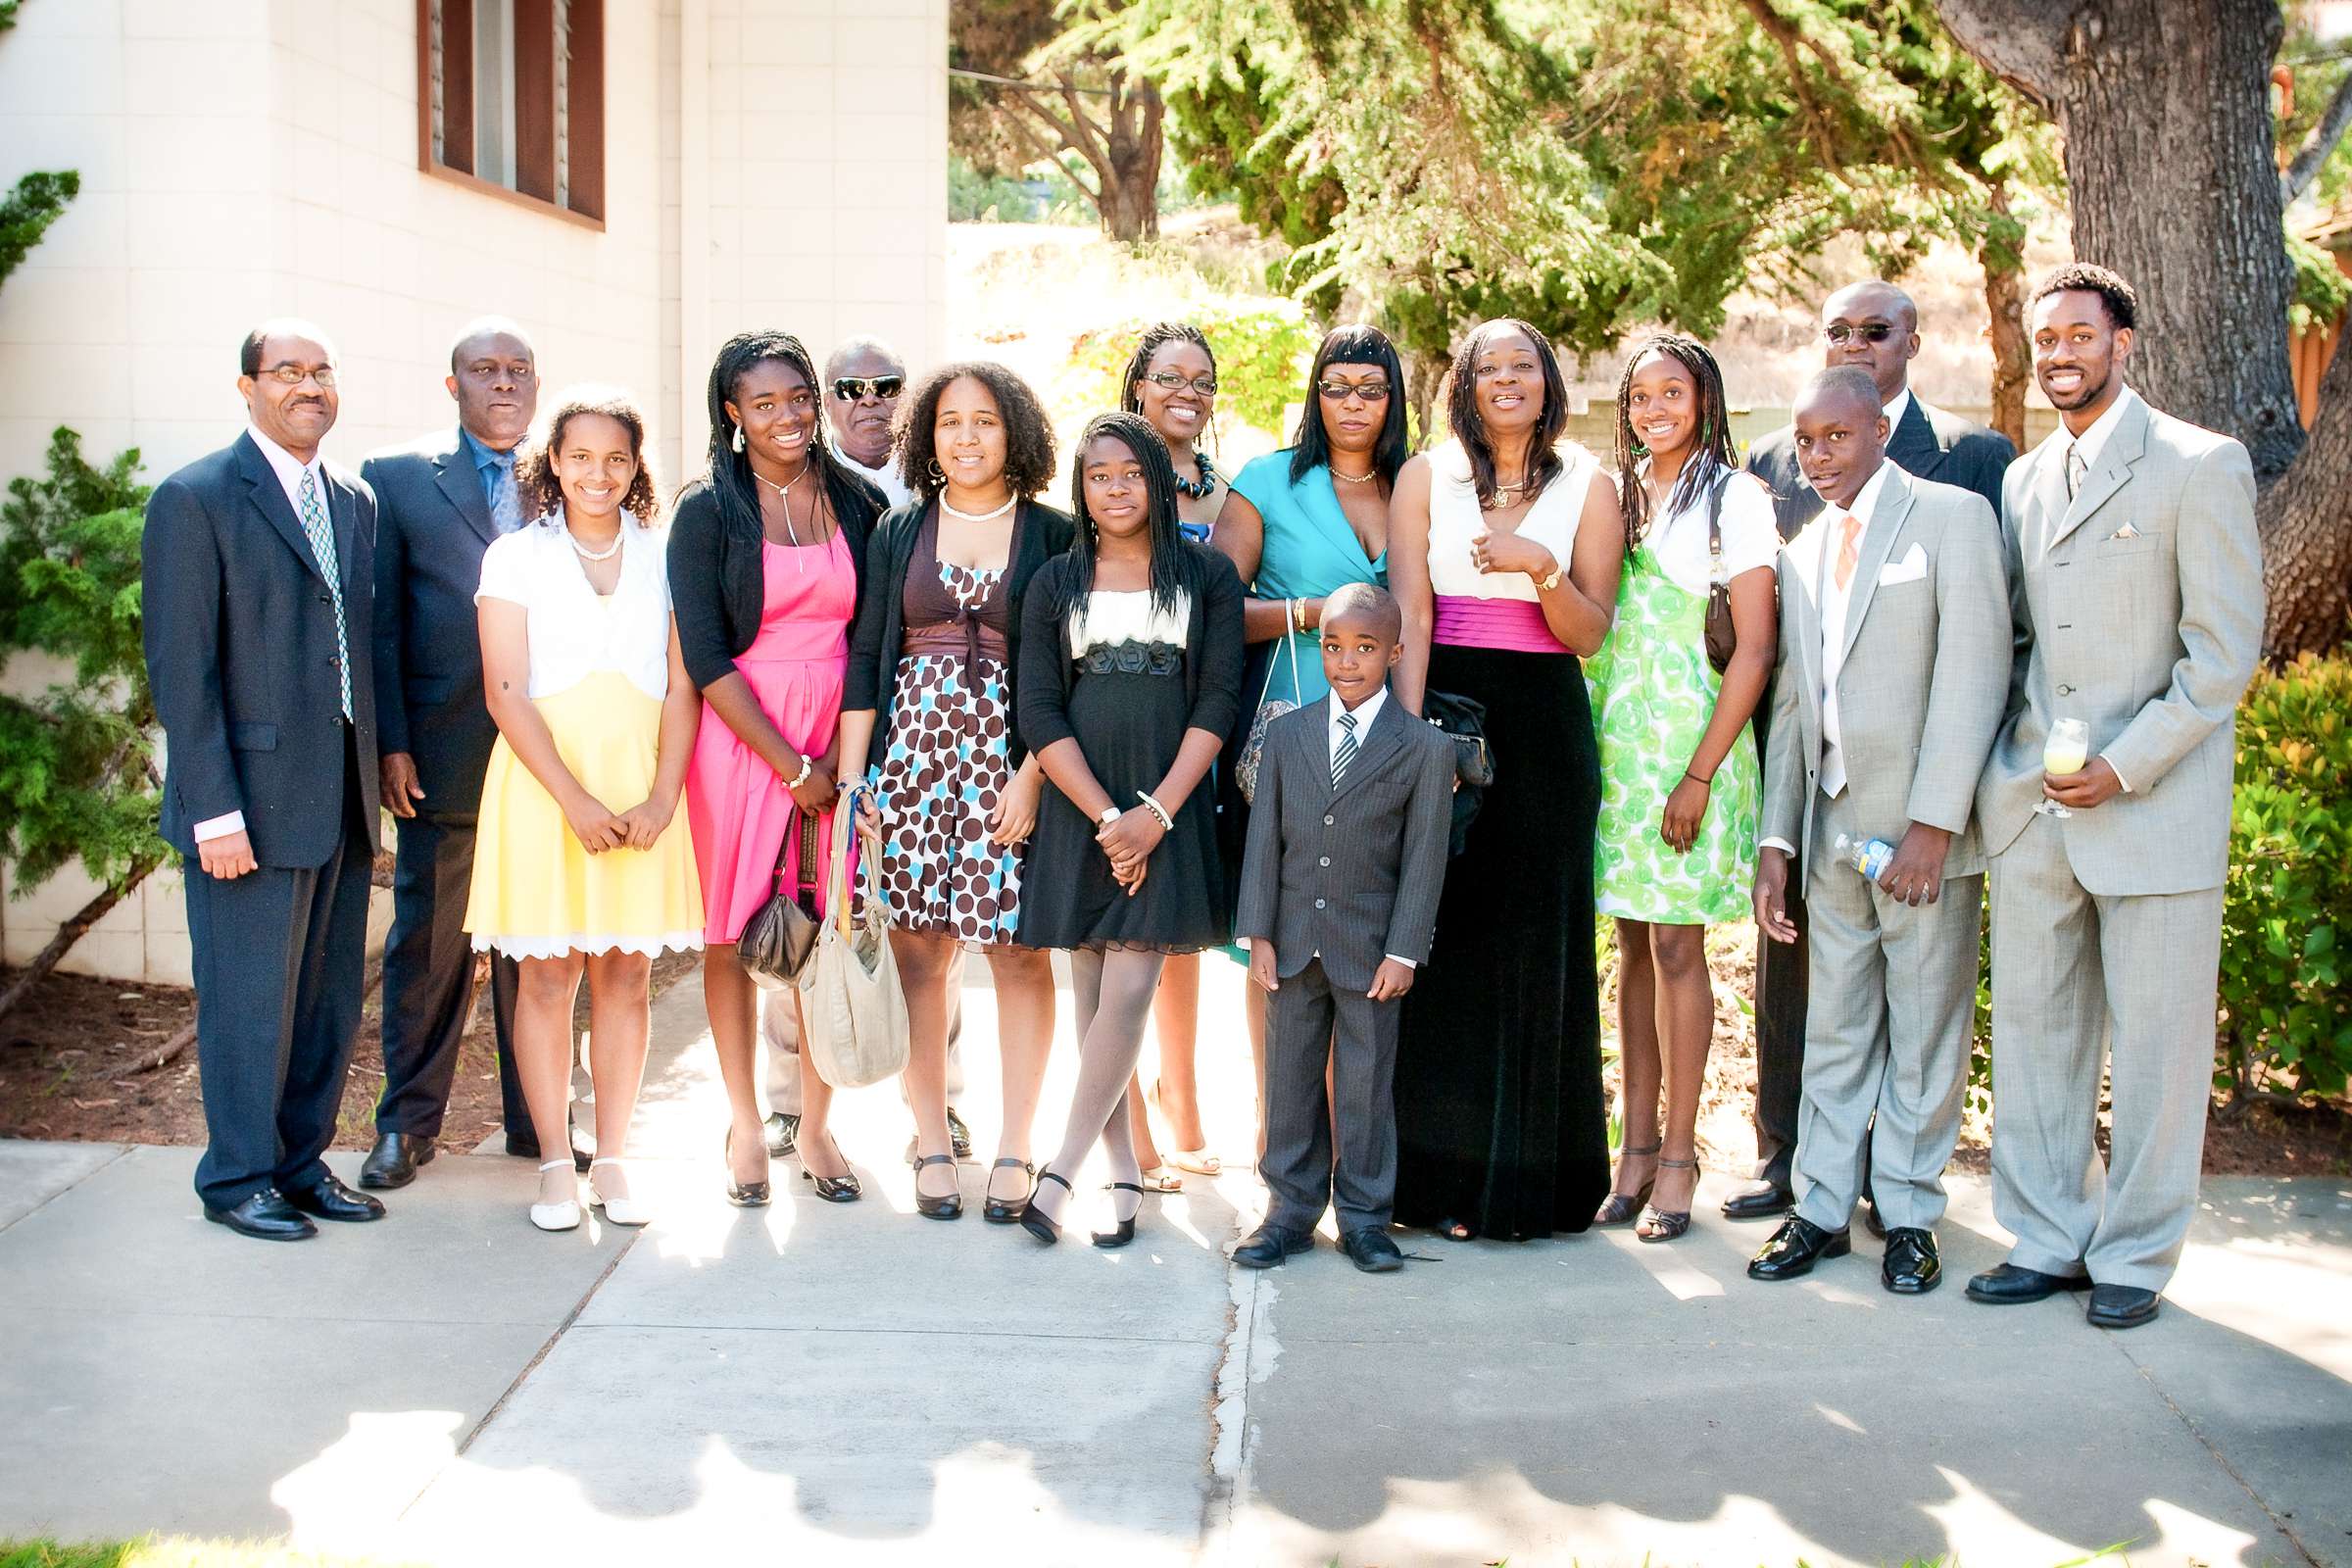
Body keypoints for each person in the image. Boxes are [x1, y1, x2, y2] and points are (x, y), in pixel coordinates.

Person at [1967, 265, 2264, 1330]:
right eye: (2044, 339)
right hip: (2036, 809)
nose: (2059, 353)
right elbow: (2015, 643)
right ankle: (2046, 1236)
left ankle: (2136, 1254)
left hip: (2154, 805)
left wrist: (2129, 764)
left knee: (2157, 1047)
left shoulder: (2200, 464)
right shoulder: (2024, 480)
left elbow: (2224, 654)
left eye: (2079, 336)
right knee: (2040, 1041)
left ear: (2123, 342)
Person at [1731, 280, 2016, 1224]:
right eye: (1805, 442)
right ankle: (1816, 1210)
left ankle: (1908, 1214)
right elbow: (1795, 709)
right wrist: (1779, 845)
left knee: (1927, 1034)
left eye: (1837, 438)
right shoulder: (1804, 555)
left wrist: (1936, 826)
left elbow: (1976, 676)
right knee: (1834, 1030)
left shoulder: (1954, 518)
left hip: (1919, 834)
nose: (1817, 457)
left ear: (1879, 434)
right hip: (1833, 837)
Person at [142, 318, 388, 1241]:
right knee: (249, 1004)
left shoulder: (355, 501)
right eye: (288, 372)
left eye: (323, 371)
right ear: (247, 387)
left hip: (340, 800)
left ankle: (298, 1164)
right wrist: (212, 809)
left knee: (323, 1006)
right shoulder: (196, 498)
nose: (309, 387)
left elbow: (363, 647)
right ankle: (238, 1177)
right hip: (243, 806)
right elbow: (181, 670)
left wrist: (381, 768)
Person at [1390, 318, 1625, 1243]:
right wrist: (1406, 739)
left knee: (1537, 944)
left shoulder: (1589, 484)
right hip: (1447, 703)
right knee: (1444, 940)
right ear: (1464, 384)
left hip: (1543, 724)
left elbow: (1591, 630)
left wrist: (1543, 569)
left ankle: (1530, 1190)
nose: (1506, 380)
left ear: (1548, 379)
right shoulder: (1426, 476)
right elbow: (1412, 606)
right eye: (1488, 367)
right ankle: (1434, 1183)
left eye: (1522, 364)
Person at [466, 388, 704, 1233]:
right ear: (552, 464)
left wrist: (663, 795)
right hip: (545, 788)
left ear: (636, 465)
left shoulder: (666, 553)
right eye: (579, 458)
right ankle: (555, 1164)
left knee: (627, 974)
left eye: (615, 458)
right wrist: (571, 799)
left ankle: (613, 1155)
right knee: (548, 973)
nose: (597, 474)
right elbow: (504, 690)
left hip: (641, 781)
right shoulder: (514, 558)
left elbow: (683, 683)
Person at [840, 362, 1071, 1222]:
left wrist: (1035, 775)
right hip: (911, 767)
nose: (966, 438)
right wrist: (859, 779)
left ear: (1015, 432)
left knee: (1018, 952)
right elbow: (868, 659)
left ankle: (1017, 1145)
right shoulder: (901, 530)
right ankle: (932, 1140)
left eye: (983, 421)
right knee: (919, 954)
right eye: (948, 423)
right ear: (926, 437)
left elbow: (1069, 669)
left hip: (1012, 770)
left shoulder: (1051, 535)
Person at [1010, 412, 1245, 1248]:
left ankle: (1061, 1168)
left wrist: (1157, 814)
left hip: (1167, 809)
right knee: (1089, 986)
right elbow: (1036, 705)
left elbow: (1217, 698)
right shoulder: (1054, 582)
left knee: (1132, 985)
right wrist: (1108, 816)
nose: (1115, 489)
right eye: (1099, 474)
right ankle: (1121, 1173)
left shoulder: (1207, 577)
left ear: (1158, 479)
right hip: (1085, 808)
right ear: (1081, 485)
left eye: (1131, 473)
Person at [671, 331, 885, 1206]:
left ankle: (820, 1126)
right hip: (742, 744)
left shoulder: (861, 502)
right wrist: (790, 765)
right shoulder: (705, 511)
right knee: (732, 936)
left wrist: (839, 755)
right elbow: (707, 657)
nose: (789, 415)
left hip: (841, 737)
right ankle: (746, 1124)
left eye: (800, 396)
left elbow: (873, 641)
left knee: (826, 927)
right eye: (765, 403)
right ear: (733, 414)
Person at [1584, 334, 1781, 1244]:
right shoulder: (1619, 495)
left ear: (1705, 400)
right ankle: (1631, 1150)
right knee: (1627, 947)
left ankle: (1678, 1157)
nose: (1655, 409)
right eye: (1640, 396)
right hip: (1622, 753)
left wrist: (1700, 773)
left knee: (1675, 950)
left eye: (1674, 392)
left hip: (1693, 751)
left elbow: (1755, 650)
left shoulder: (1733, 498)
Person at [1212, 324, 1407, 1149]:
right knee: (1286, 942)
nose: (1352, 403)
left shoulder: (1419, 485)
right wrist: (1309, 613)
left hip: (1388, 737)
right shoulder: (1268, 482)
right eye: (1336, 386)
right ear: (1314, 395)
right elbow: (1216, 608)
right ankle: (1281, 1145)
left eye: (1370, 388)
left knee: (1368, 936)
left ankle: (1362, 1157)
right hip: (1290, 729)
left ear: (1394, 399)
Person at [361, 318, 544, 1191]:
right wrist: (391, 740)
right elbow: (380, 624)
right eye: (484, 370)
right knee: (429, 948)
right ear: (453, 386)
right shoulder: (397, 479)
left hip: (555, 758)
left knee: (539, 948)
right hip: (444, 750)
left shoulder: (572, 473)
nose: (502, 384)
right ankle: (407, 1124)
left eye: (518, 371)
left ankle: (535, 1122)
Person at [1234, 583, 1454, 1274]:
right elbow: (1263, 841)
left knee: (1363, 1084)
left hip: (1370, 951)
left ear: (1394, 652)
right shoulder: (1288, 733)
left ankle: (1363, 1217)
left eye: (1364, 648)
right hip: (1294, 942)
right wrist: (1257, 933)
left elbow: (1423, 861)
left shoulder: (1423, 748)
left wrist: (1404, 951)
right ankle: (1289, 1211)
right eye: (1333, 646)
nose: (1347, 661)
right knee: (1290, 1077)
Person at [1119, 322, 1231, 1185]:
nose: (1185, 391)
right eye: (1168, 376)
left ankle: (1180, 1093)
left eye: (1201, 378)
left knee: (1181, 929)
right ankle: (1133, 1135)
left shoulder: (1229, 501)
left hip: (1194, 727)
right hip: (1116, 718)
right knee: (1123, 934)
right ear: (1139, 387)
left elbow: (1226, 618)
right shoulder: (1107, 478)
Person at [826, 336, 915, 508]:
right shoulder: (804, 474)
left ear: (906, 396)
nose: (869, 400)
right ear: (827, 403)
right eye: (851, 388)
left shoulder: (936, 469)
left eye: (886, 386)